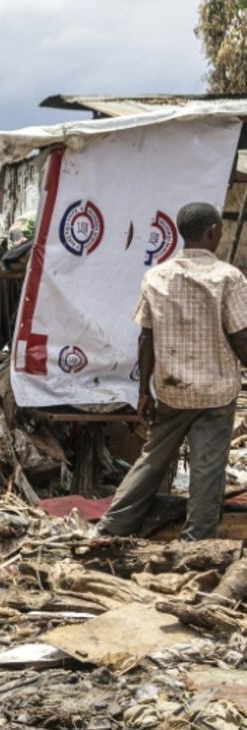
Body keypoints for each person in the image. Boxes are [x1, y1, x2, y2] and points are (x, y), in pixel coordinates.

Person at [99, 202, 247, 543]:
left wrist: (142, 392)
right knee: (207, 469)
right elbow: (241, 338)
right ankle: (195, 542)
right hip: (215, 391)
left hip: (171, 389)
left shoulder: (156, 276)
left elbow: (146, 337)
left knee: (152, 461)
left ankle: (112, 526)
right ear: (213, 231)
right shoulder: (228, 278)